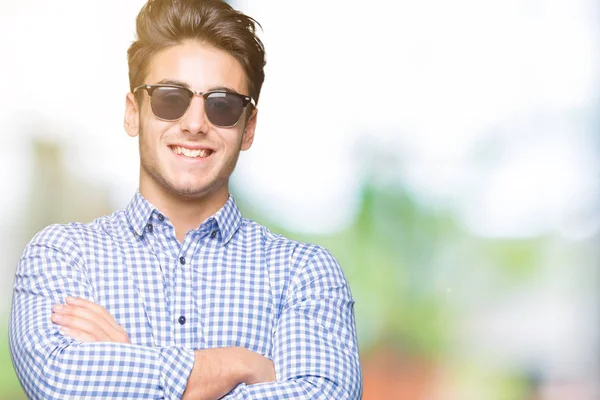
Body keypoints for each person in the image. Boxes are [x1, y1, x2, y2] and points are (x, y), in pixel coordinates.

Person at [8, 0, 362, 399]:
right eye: (170, 98)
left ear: (248, 129)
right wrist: (239, 365)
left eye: (223, 105)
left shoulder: (304, 274)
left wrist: (129, 363)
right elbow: (62, 381)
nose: (195, 124)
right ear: (132, 113)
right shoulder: (62, 256)